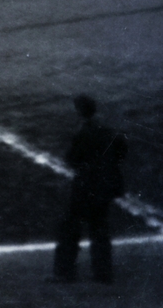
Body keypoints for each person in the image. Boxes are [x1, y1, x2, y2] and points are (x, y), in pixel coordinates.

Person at [52, 95, 128, 284]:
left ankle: (65, 272)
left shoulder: (83, 133)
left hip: (85, 186)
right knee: (100, 229)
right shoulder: (108, 131)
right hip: (104, 187)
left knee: (70, 229)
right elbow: (121, 151)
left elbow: (72, 159)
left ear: (79, 112)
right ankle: (103, 273)